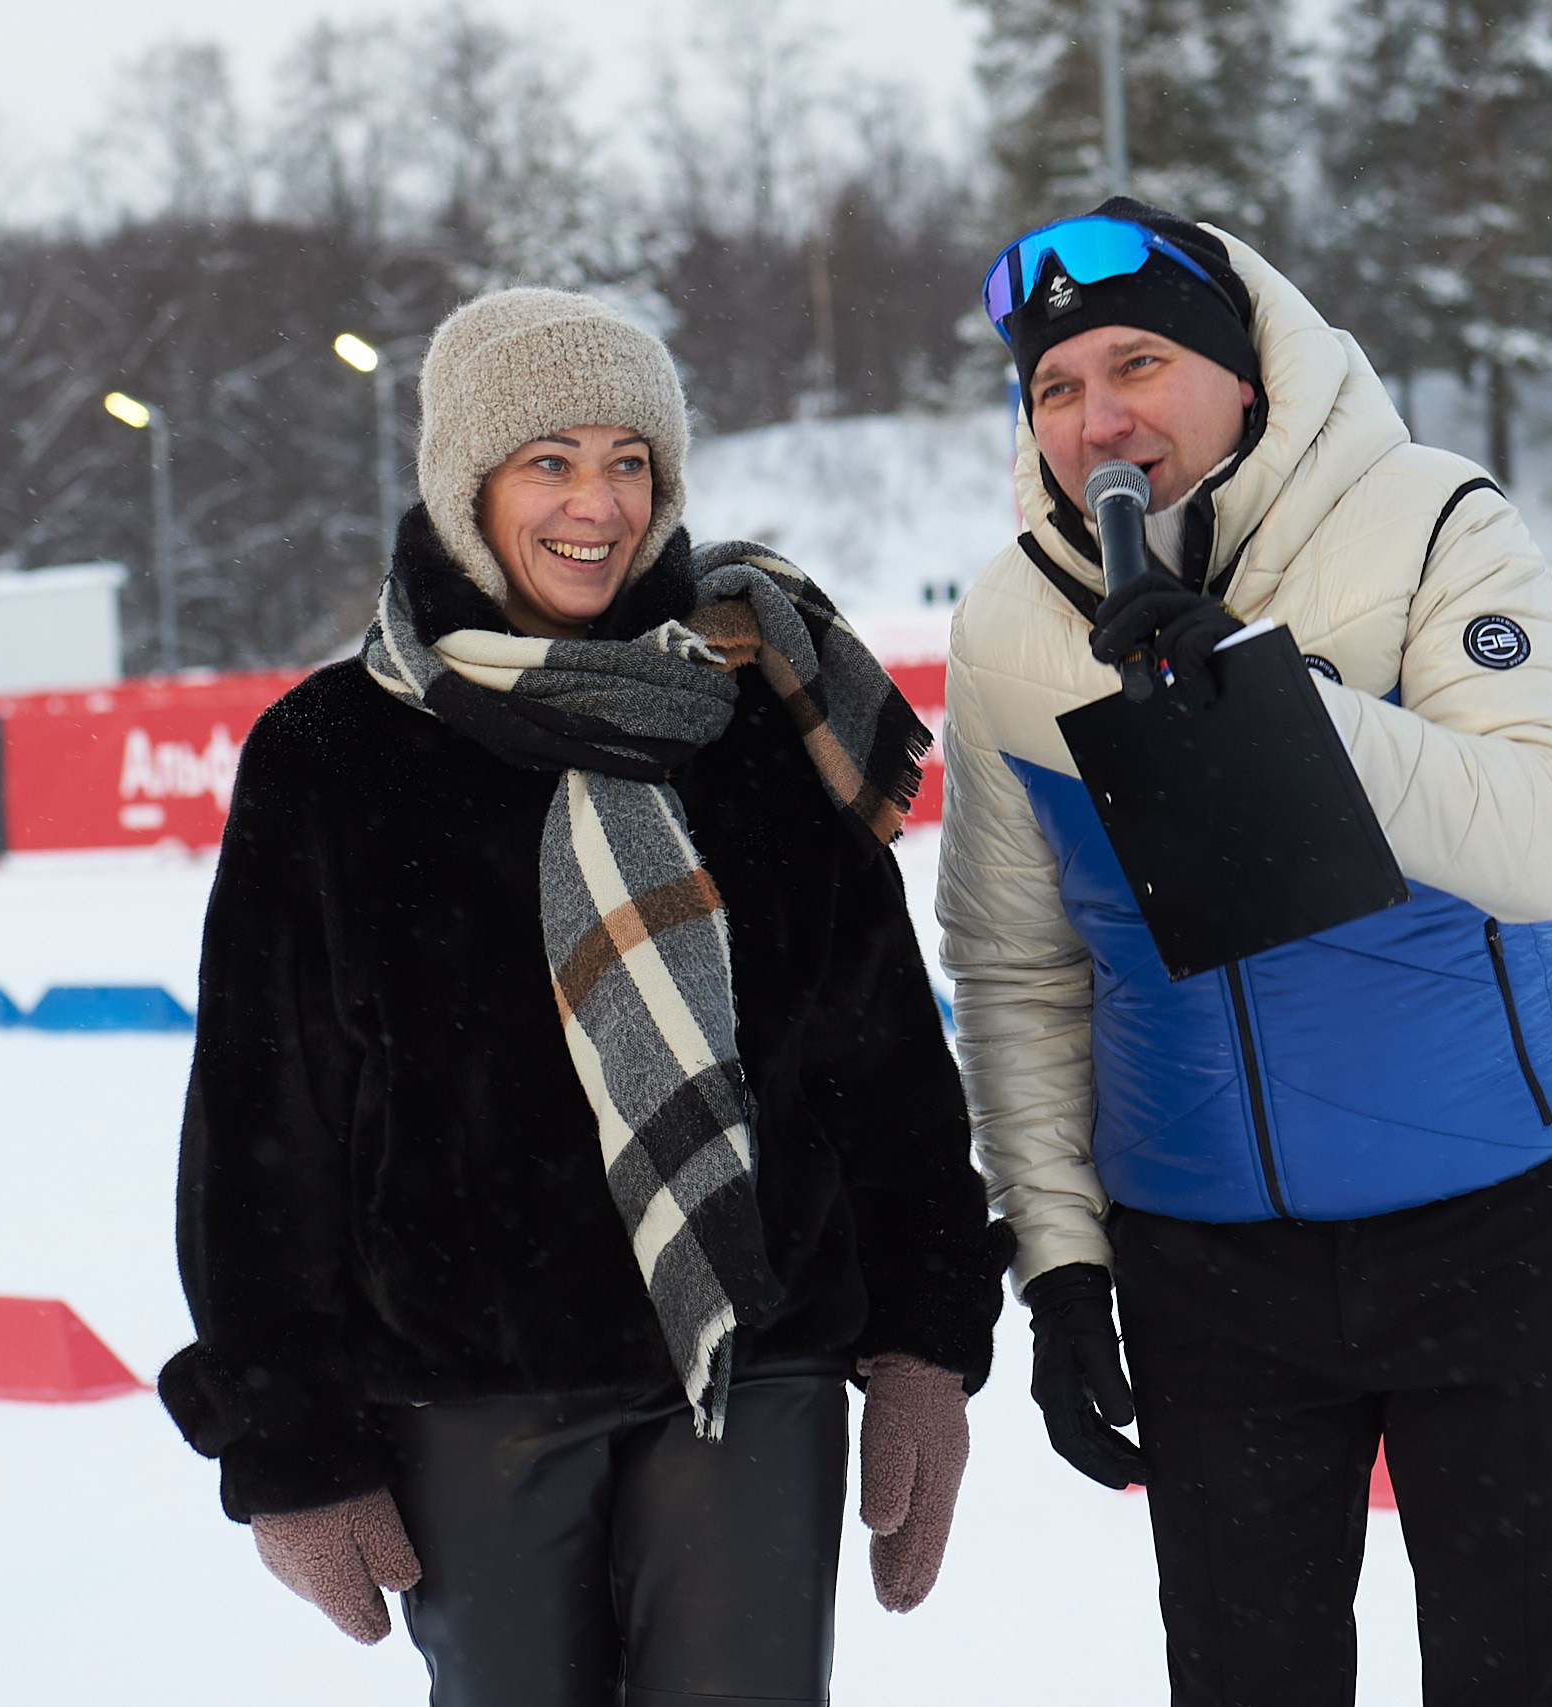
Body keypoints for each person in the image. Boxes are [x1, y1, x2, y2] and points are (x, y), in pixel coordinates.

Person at [159, 287, 1005, 1706]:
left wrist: (924, 1339)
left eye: (629, 464)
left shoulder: (759, 718)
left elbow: (881, 1066)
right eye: (548, 460)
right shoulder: (332, 754)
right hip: (472, 1393)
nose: (596, 505)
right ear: (466, 482)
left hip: (757, 1365)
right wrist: (290, 1450)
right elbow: (264, 1125)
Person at [939, 200, 1552, 1705]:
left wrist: (1284, 707)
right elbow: (1015, 972)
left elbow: (1551, 836)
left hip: (1489, 1237)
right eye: (1054, 387)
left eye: (1138, 364)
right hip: (1209, 1276)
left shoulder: (1434, 520)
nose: (1098, 417)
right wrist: (1058, 1263)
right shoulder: (1007, 627)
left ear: (1246, 372)